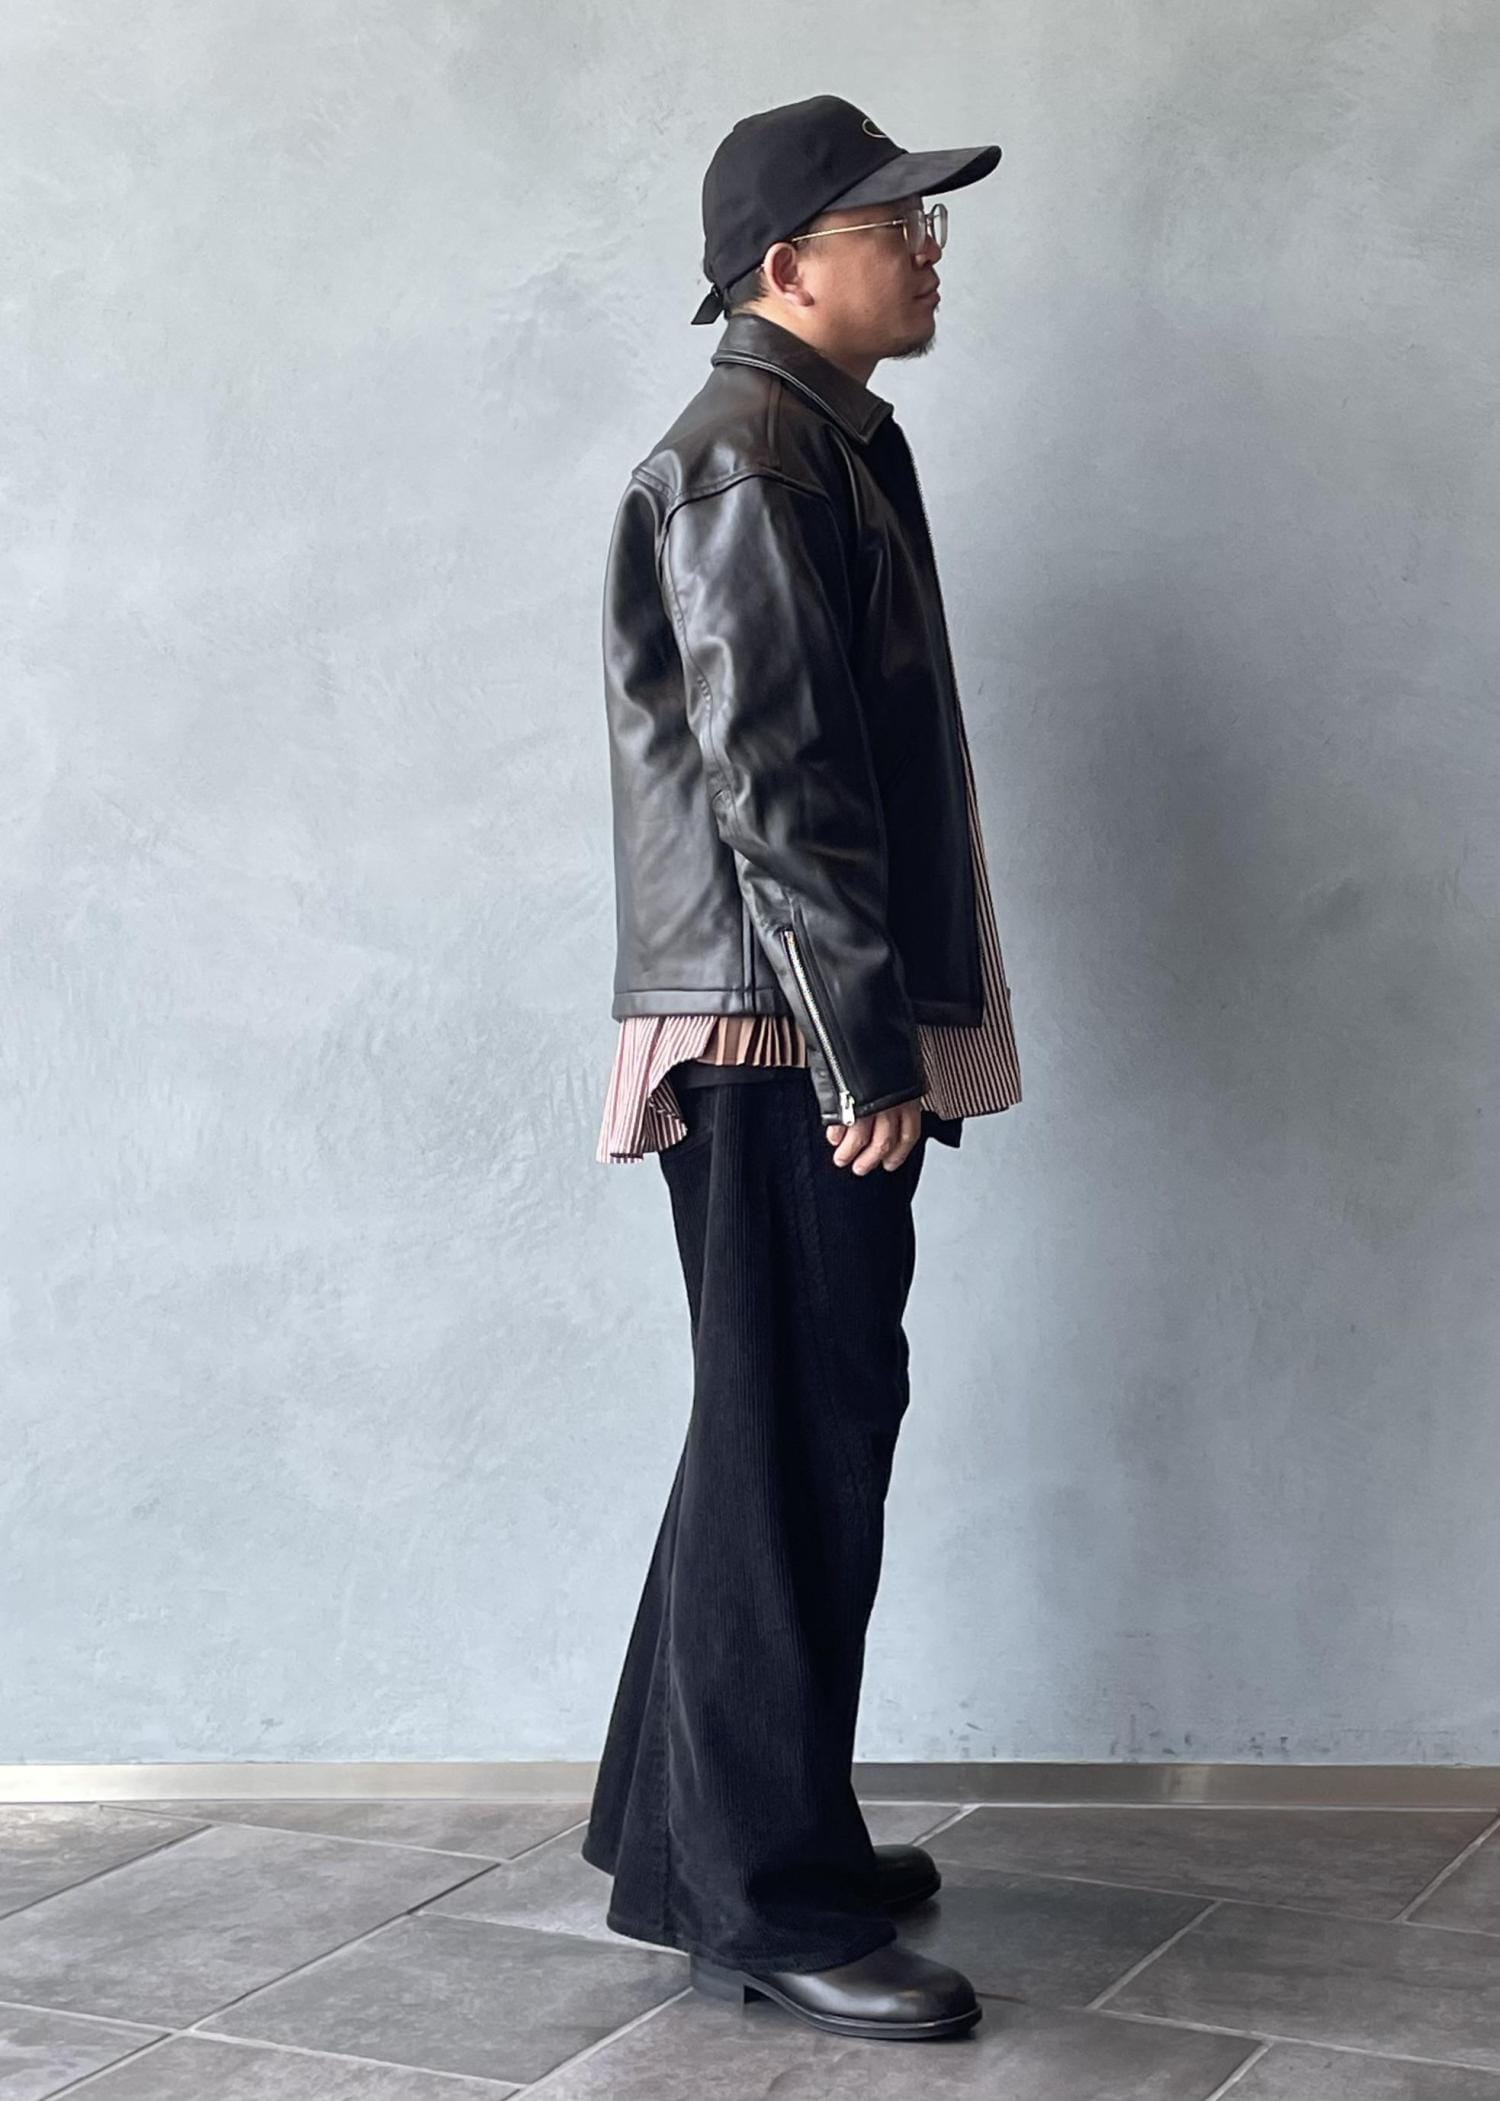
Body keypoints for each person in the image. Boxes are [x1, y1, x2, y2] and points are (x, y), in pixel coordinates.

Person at [581, 94, 1023, 2044]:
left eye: (928, 226)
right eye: (892, 227)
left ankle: (694, 1825)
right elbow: (777, 780)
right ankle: (765, 1899)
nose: (926, 254)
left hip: (789, 1019)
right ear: (786, 268)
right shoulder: (752, 458)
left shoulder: (820, 440)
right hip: (782, 1034)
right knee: (796, 1442)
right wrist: (863, 1047)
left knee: (773, 1428)